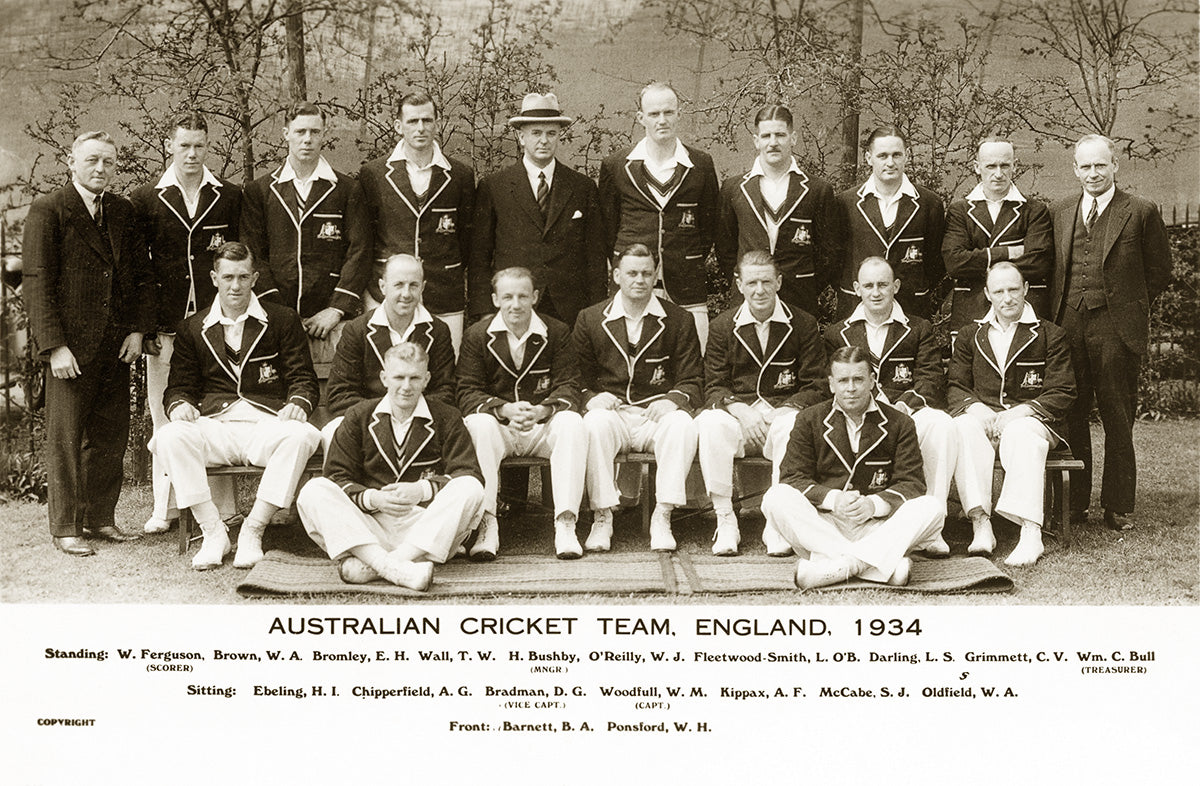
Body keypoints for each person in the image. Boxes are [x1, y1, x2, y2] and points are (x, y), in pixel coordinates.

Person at [151, 243, 322, 570]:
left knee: (300, 436)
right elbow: (178, 388)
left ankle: (252, 530)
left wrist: (298, 404)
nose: (236, 286)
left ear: (255, 277)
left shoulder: (282, 319)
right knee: (171, 435)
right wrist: (179, 405)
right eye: (228, 277)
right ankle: (214, 532)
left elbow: (303, 377)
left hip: (266, 425)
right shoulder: (193, 327)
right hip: (218, 427)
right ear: (214, 278)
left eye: (243, 277)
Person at [23, 130, 154, 556]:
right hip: (70, 349)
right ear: (71, 161)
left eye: (109, 163)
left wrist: (137, 330)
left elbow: (138, 276)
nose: (101, 169)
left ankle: (100, 517)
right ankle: (65, 526)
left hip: (115, 346)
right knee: (65, 438)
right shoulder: (50, 209)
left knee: (110, 435)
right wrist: (54, 347)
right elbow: (37, 283)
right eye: (93, 160)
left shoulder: (122, 210)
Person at [1049, 134, 1172, 531]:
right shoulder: (1061, 211)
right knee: (1071, 414)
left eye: (1100, 165)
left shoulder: (1140, 210)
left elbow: (1159, 272)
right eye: (1085, 166)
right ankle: (1075, 503)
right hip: (1069, 324)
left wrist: (1126, 305)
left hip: (1116, 327)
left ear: (1115, 165)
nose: (1093, 173)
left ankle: (1118, 506)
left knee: (1119, 416)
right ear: (1074, 169)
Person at [297, 342, 485, 591]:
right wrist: (372, 498)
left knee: (470, 487)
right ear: (384, 378)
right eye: (398, 377)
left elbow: (467, 472)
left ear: (426, 379)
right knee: (314, 490)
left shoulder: (447, 416)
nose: (406, 387)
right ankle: (399, 568)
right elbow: (336, 476)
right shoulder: (358, 415)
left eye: (414, 378)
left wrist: (422, 490)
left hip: (425, 527)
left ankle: (380, 565)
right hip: (369, 526)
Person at [131, 110, 241, 535]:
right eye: (184, 146)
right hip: (165, 326)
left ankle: (225, 508)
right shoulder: (146, 198)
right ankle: (166, 508)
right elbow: (139, 269)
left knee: (215, 409)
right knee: (165, 416)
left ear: (207, 146)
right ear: (169, 147)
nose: (191, 154)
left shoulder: (228, 195)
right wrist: (145, 326)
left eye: (199, 145)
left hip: (215, 324)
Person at [761, 346, 943, 589]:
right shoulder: (808, 419)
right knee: (775, 496)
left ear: (872, 381)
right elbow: (793, 477)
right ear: (831, 384)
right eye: (843, 380)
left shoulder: (900, 423)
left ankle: (837, 567)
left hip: (878, 526)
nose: (850, 388)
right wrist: (833, 500)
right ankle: (876, 567)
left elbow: (912, 483)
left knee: (931, 506)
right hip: (824, 524)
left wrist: (874, 504)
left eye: (858, 379)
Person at [573, 244, 703, 551]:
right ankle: (602, 516)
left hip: (654, 415)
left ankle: (663, 514)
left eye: (647, 273)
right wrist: (591, 398)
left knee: (682, 424)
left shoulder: (679, 319)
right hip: (615, 413)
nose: (640, 280)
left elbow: (694, 379)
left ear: (656, 275)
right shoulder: (590, 318)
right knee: (594, 423)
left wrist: (673, 399)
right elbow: (575, 377)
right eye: (632, 273)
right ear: (617, 275)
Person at [696, 251, 827, 556]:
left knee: (795, 424)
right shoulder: (722, 326)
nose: (759, 290)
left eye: (766, 281)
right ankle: (725, 517)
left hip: (780, 417)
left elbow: (817, 385)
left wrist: (788, 408)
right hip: (739, 420)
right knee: (710, 422)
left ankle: (776, 522)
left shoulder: (803, 323)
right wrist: (740, 410)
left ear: (779, 282)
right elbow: (713, 385)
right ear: (739, 284)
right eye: (752, 282)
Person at [825, 256, 955, 552]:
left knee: (941, 424)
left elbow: (931, 380)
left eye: (883, 284)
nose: (876, 292)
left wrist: (903, 408)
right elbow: (832, 384)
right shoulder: (837, 333)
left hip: (905, 412)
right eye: (868, 285)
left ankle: (932, 529)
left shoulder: (919, 328)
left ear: (895, 286)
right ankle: (859, 518)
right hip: (856, 413)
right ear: (856, 288)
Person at [949, 262, 1075, 567]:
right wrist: (975, 407)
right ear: (987, 294)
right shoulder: (971, 334)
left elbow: (1063, 390)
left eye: (1013, 289)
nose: (1007, 298)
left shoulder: (1050, 334)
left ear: (1026, 290)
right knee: (963, 426)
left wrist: (1021, 412)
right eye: (999, 291)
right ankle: (981, 523)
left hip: (1034, 422)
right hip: (986, 421)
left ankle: (1030, 531)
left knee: (1020, 432)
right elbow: (955, 386)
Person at [458, 267, 587, 560]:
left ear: (535, 297)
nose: (515, 304)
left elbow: (570, 384)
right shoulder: (477, 335)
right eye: (507, 297)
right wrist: (502, 408)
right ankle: (486, 524)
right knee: (478, 424)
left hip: (542, 426)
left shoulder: (556, 331)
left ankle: (566, 522)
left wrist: (544, 409)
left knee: (572, 423)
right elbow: (466, 390)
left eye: (522, 296)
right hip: (500, 427)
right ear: (494, 299)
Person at [241, 102, 370, 364]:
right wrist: (279, 313)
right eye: (300, 132)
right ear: (286, 133)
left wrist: (336, 309)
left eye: (315, 132)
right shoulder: (261, 191)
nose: (308, 139)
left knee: (331, 396)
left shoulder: (346, 189)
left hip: (332, 322)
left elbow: (360, 251)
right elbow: (253, 255)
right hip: (275, 318)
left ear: (324, 134)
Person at [469, 92, 606, 328]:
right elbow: (479, 256)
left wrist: (595, 313)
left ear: (559, 136)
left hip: (570, 310)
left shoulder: (582, 187)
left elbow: (595, 258)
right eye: (536, 133)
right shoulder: (494, 186)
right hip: (513, 305)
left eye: (551, 133)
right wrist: (484, 312)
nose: (544, 140)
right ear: (521, 137)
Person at [598, 82, 719, 347]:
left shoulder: (701, 164)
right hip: (634, 283)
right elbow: (607, 228)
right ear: (641, 117)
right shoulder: (616, 165)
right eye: (654, 114)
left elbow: (709, 226)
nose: (662, 120)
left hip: (686, 284)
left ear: (679, 113)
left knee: (691, 360)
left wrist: (685, 254)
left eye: (668, 112)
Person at [359, 91, 475, 353]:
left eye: (427, 120)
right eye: (412, 121)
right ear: (398, 125)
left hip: (443, 292)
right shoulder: (374, 174)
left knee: (444, 368)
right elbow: (365, 239)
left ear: (436, 123)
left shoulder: (460, 175)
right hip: (386, 294)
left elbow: (466, 239)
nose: (421, 128)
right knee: (388, 369)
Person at [323, 253, 456, 450]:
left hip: (422, 422)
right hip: (367, 421)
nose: (406, 293)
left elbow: (446, 390)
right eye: (398, 284)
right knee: (333, 431)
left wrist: (409, 416)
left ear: (423, 288)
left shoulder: (437, 330)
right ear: (382, 286)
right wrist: (385, 417)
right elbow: (340, 393)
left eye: (413, 285)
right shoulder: (358, 329)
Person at [716, 105, 839, 316]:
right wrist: (745, 281)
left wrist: (805, 284)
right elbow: (724, 247)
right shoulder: (733, 188)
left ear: (793, 138)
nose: (773, 143)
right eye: (766, 136)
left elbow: (830, 252)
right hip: (748, 298)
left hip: (799, 299)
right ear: (756, 141)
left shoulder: (817, 190)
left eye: (780, 135)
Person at [943, 138, 1053, 340]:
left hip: (1022, 312)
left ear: (1015, 165)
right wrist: (1009, 252)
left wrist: (978, 259)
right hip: (971, 311)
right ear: (977, 167)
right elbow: (954, 262)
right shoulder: (960, 211)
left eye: (1005, 165)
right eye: (991, 166)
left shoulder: (1034, 211)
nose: (998, 174)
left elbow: (1038, 263)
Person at [835, 127, 945, 320]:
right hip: (856, 307)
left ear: (907, 155)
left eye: (896, 155)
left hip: (911, 307)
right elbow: (834, 260)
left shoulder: (929, 203)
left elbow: (936, 264)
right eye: (882, 156)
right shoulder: (846, 203)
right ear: (869, 158)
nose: (890, 163)